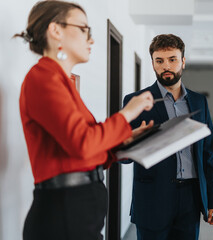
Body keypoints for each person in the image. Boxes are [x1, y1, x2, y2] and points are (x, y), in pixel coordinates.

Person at [15, 1, 154, 240]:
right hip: (63, 213)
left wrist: (124, 141)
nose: (91, 40)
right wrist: (127, 114)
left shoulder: (61, 81)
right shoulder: (42, 78)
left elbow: (86, 146)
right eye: (84, 30)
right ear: (55, 30)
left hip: (77, 212)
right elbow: (82, 144)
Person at [123, 34, 213, 240]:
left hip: (190, 197)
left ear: (183, 62)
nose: (166, 66)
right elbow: (122, 155)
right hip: (152, 197)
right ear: (153, 64)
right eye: (159, 61)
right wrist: (132, 141)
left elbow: (208, 153)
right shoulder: (135, 101)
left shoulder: (198, 101)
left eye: (172, 59)